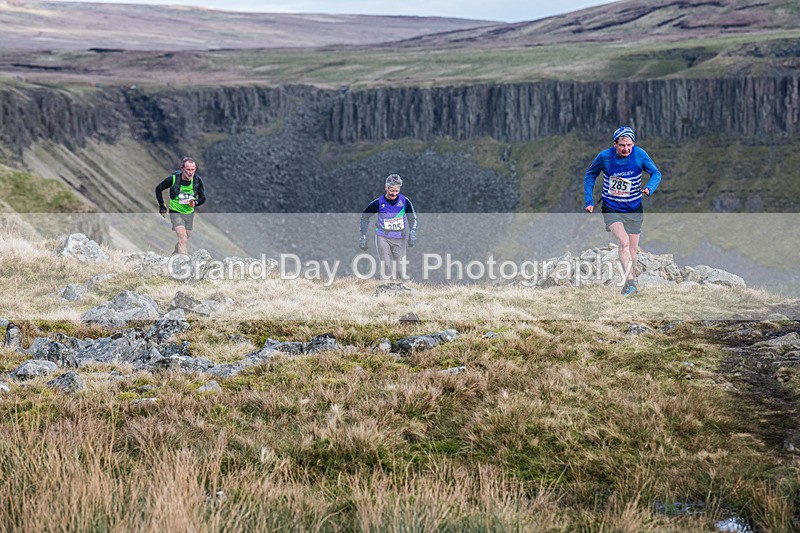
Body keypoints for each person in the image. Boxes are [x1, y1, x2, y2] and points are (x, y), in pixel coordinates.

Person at [584, 126, 662, 296]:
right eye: (622, 145)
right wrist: (589, 201)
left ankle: (628, 284)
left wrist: (650, 188)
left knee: (633, 251)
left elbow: (656, 173)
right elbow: (590, 175)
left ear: (633, 144)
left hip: (634, 208)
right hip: (612, 207)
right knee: (623, 242)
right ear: (615, 144)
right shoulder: (605, 157)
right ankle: (632, 283)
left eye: (629, 145)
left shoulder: (640, 154)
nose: (626, 149)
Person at [359, 174, 418, 284]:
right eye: (391, 190)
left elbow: (412, 218)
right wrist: (363, 236)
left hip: (400, 237)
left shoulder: (405, 201)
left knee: (400, 270)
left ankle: (402, 292)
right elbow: (365, 216)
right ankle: (385, 292)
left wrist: (413, 231)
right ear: (386, 188)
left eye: (397, 191)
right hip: (383, 237)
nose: (394, 194)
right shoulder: (378, 202)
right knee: (386, 265)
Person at [155, 157, 206, 256]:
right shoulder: (173, 179)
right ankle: (184, 264)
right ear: (182, 168)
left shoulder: (197, 181)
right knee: (182, 238)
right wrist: (162, 205)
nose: (190, 172)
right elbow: (158, 189)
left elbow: (203, 198)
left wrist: (195, 203)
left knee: (185, 238)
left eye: (193, 170)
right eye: (188, 169)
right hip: (175, 211)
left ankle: (175, 254)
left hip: (189, 213)